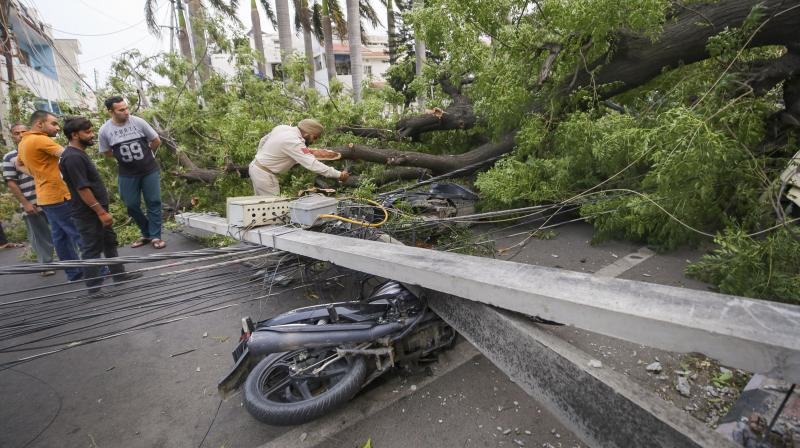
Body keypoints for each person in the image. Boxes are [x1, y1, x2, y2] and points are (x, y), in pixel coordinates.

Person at [59, 117, 142, 294]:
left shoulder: (78, 153)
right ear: (74, 135)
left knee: (109, 242)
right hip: (87, 213)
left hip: (96, 211)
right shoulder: (72, 157)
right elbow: (82, 188)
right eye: (87, 132)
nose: (92, 135)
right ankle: (94, 289)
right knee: (91, 250)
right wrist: (100, 212)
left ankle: (119, 276)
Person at [17, 110, 83, 281]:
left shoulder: (24, 142)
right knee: (78, 232)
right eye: (53, 123)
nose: (57, 127)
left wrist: (40, 175)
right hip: (58, 195)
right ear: (39, 124)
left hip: (45, 196)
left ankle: (74, 273)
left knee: (60, 237)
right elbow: (70, 155)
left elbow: (18, 164)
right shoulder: (40, 139)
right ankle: (100, 270)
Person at [98, 96, 166, 249]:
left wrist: (148, 155)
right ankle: (146, 231)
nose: (126, 112)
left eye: (127, 108)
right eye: (121, 110)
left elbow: (156, 141)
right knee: (131, 204)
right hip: (127, 173)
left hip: (149, 170)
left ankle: (155, 236)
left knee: (153, 202)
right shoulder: (104, 130)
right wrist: (123, 158)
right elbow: (106, 152)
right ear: (111, 111)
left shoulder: (138, 122)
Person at [2, 123, 55, 275]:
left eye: (23, 132)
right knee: (39, 235)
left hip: (51, 197)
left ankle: (71, 261)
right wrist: (25, 203)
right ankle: (46, 266)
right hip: (31, 201)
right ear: (13, 136)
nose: (20, 135)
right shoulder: (9, 157)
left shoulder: (39, 149)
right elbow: (11, 183)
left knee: (61, 231)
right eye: (16, 133)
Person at [249, 119, 349, 196]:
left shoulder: (282, 128)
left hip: (256, 167)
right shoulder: (294, 141)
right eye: (314, 137)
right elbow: (313, 164)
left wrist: (260, 157)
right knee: (272, 211)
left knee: (259, 206)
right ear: (307, 133)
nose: (314, 141)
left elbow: (263, 140)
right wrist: (339, 175)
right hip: (265, 175)